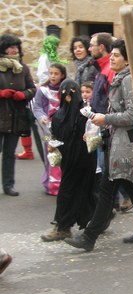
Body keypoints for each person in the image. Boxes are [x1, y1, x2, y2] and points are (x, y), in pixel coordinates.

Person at [64, 39, 133, 252]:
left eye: (116, 55)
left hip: (127, 144)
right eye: (111, 54)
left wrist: (106, 119)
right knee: (130, 186)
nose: (111, 58)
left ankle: (89, 237)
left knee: (108, 187)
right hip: (121, 141)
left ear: (127, 59)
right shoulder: (123, 77)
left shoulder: (129, 80)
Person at [41, 80, 97, 242]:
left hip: (83, 160)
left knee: (76, 192)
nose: (68, 97)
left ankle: (63, 227)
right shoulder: (59, 115)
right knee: (78, 192)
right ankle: (92, 222)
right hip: (70, 162)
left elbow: (98, 132)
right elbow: (52, 135)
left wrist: (92, 134)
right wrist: (50, 144)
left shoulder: (86, 112)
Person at [0, 34, 36, 196]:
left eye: (16, 47)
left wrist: (24, 94)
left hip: (16, 117)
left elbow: (32, 89)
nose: (14, 50)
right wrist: (1, 93)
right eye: (11, 47)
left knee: (10, 153)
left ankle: (9, 185)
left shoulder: (23, 68)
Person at [32, 63, 67, 196]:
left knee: (63, 155)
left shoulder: (65, 89)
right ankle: (51, 184)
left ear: (62, 75)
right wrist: (42, 118)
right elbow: (37, 107)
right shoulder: (42, 90)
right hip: (48, 129)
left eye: (56, 74)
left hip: (63, 128)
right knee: (50, 155)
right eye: (50, 73)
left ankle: (62, 182)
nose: (52, 76)